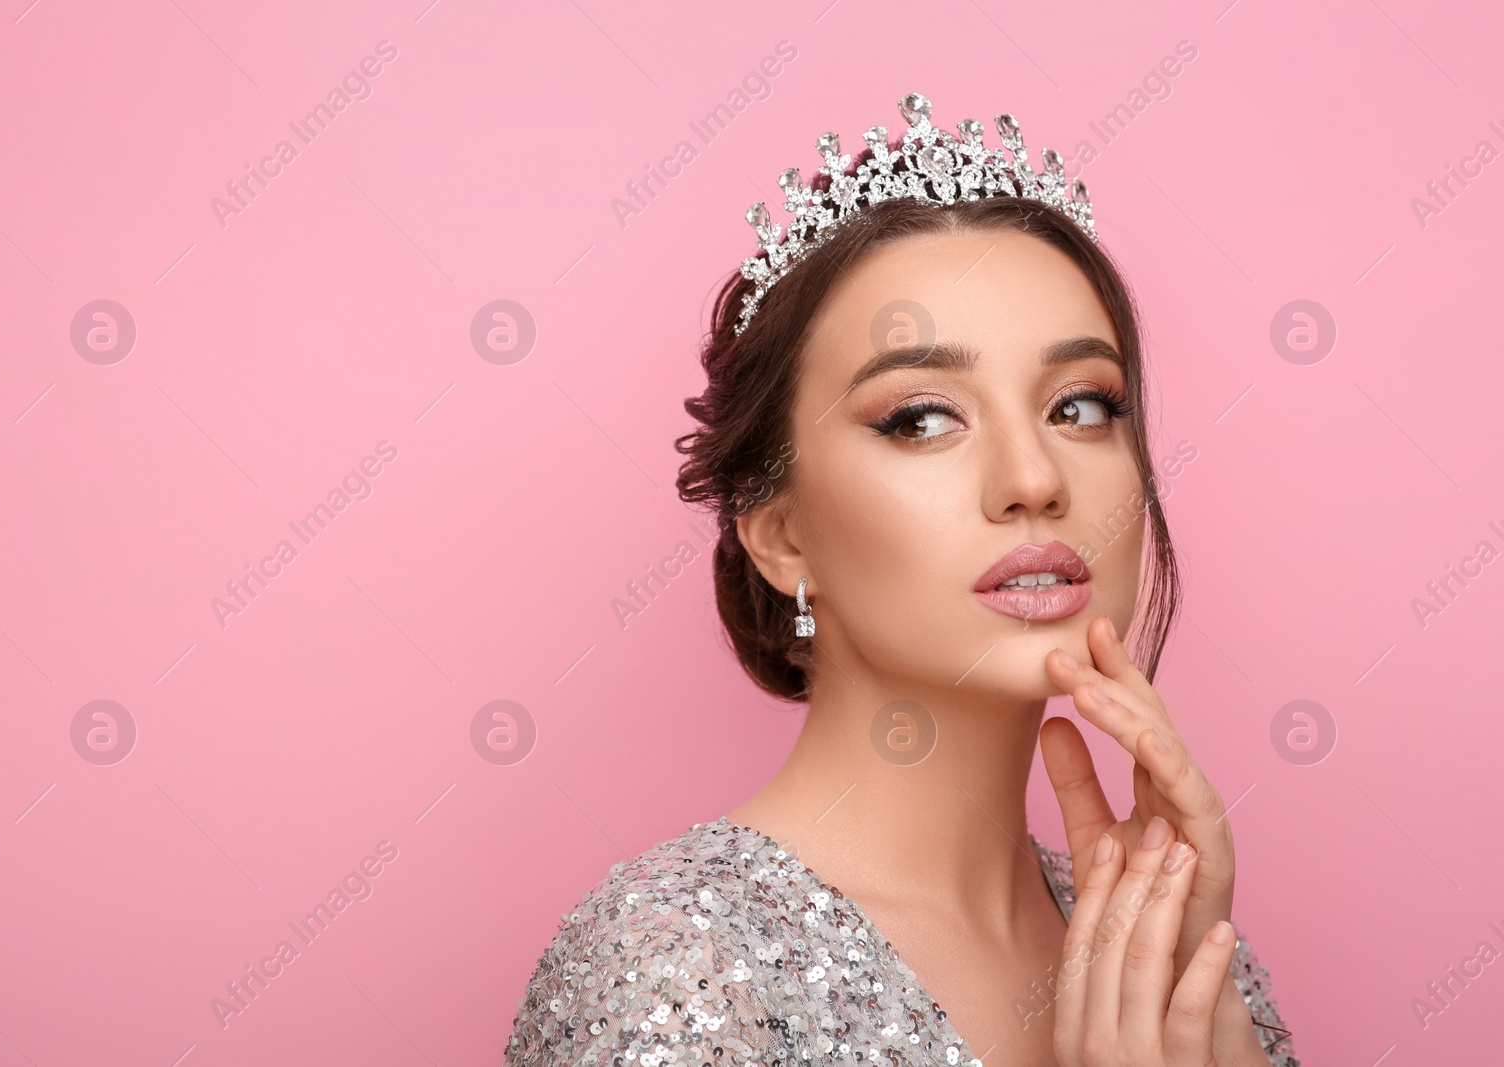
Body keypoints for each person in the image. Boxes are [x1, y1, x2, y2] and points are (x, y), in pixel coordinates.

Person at [503, 93, 1297, 1067]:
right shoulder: (675, 977)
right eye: (920, 418)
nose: (1034, 479)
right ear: (781, 534)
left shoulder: (1181, 960)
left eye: (1082, 404)